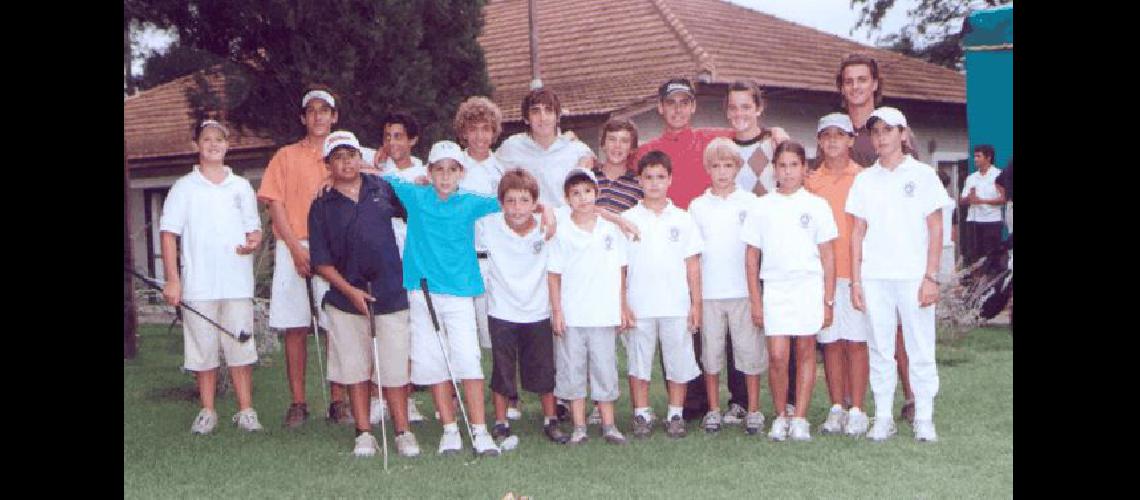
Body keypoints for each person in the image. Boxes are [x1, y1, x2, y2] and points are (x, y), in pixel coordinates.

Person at [380, 140, 554, 456]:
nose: (445, 177)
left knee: (468, 361)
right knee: (434, 364)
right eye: (438, 170)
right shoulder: (415, 195)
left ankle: (479, 429)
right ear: (428, 172)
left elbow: (513, 204)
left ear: (461, 172)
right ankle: (449, 430)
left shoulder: (471, 201)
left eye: (452, 170)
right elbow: (377, 176)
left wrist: (549, 211)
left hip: (460, 293)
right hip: (423, 292)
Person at [308, 131, 419, 458]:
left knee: (395, 368)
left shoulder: (382, 188)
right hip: (346, 297)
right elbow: (321, 262)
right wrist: (350, 291)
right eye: (338, 158)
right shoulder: (321, 204)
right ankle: (363, 433)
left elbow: (417, 211)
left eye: (351, 155)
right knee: (354, 369)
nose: (346, 163)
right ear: (328, 164)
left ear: (361, 158)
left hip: (390, 291)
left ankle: (402, 432)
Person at [846, 106, 953, 442]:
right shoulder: (864, 179)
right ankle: (882, 417)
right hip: (875, 277)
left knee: (920, 347)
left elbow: (936, 229)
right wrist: (856, 281)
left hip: (913, 277)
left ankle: (924, 417)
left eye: (888, 131)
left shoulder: (923, 175)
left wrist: (931, 276)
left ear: (903, 134)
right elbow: (857, 233)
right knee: (880, 348)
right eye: (876, 132)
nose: (881, 138)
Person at [160, 119, 264, 435]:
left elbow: (254, 230)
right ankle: (208, 411)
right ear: (197, 145)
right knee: (202, 350)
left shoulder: (241, 187)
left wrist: (252, 243)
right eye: (207, 139)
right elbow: (168, 235)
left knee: (240, 347)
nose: (213, 144)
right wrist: (173, 279)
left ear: (227, 145)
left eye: (219, 139)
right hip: (199, 285)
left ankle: (246, 411)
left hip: (236, 283)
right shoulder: (183, 188)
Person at [256, 87, 347, 428]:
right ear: (303, 117)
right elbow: (274, 202)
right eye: (312, 111)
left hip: (335, 250)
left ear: (334, 116)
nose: (318, 116)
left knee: (335, 325)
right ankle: (298, 402)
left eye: (325, 110)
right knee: (295, 327)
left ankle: (339, 401)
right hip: (294, 244)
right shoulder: (285, 156)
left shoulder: (345, 153)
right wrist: (295, 249)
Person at [836, 53, 920, 422]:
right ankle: (858, 404)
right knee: (862, 330)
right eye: (848, 80)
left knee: (900, 327)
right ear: (841, 88)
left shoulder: (891, 127)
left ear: (874, 84)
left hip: (893, 243)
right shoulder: (836, 131)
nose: (855, 86)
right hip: (853, 240)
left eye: (862, 79)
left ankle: (913, 395)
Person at [742, 141, 838, 442]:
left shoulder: (816, 205)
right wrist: (755, 301)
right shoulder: (762, 205)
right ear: (774, 169)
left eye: (794, 165)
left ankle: (800, 419)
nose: (788, 171)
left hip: (808, 286)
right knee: (778, 356)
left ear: (804, 168)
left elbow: (828, 256)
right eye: (782, 165)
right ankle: (780, 415)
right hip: (775, 288)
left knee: (806, 352)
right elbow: (751, 257)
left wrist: (828, 300)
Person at [478, 168, 570, 445]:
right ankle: (501, 421)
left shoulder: (548, 225)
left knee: (543, 368)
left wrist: (549, 209)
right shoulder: (487, 226)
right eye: (510, 201)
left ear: (535, 203)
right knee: (502, 368)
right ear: (501, 203)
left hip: (538, 310)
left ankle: (550, 420)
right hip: (501, 310)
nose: (517, 208)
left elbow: (588, 208)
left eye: (524, 201)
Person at [688, 138, 767, 435]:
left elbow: (756, 251)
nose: (722, 172)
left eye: (728, 165)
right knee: (711, 354)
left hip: (743, 292)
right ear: (708, 169)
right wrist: (694, 299)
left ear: (737, 167)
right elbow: (693, 255)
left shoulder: (750, 203)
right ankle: (713, 410)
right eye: (716, 166)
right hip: (710, 294)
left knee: (749, 352)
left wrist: (756, 296)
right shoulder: (697, 206)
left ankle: (755, 410)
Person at [623, 151, 704, 439]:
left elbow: (692, 265)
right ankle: (641, 414)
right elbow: (619, 268)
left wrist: (696, 304)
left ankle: (675, 414)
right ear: (639, 181)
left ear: (670, 180)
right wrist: (623, 304)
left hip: (675, 304)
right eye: (648, 177)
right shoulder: (627, 219)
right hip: (639, 304)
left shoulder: (683, 218)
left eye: (660, 177)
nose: (655, 183)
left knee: (678, 361)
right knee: (639, 361)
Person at [548, 170, 631, 445]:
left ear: (596, 194)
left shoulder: (609, 229)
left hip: (603, 313)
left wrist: (621, 306)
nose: (582, 198)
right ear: (567, 199)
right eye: (575, 193)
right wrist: (557, 312)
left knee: (604, 368)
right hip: (573, 315)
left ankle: (609, 425)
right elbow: (554, 275)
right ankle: (579, 426)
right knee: (572, 370)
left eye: (587, 191)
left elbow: (621, 271)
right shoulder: (562, 231)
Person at [804, 114, 871, 436]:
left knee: (856, 342)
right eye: (826, 135)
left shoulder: (865, 178)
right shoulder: (810, 182)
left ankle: (857, 408)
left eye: (839, 135)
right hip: (821, 275)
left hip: (856, 272)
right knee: (830, 343)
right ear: (819, 141)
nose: (832, 141)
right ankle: (836, 407)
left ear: (851, 139)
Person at [960, 144, 1006, 264]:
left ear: (988, 157)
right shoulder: (971, 178)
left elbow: (1003, 199)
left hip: (992, 221)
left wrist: (982, 201)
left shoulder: (998, 175)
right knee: (974, 256)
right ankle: (975, 281)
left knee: (992, 256)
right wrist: (970, 198)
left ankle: (992, 280)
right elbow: (962, 200)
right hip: (973, 221)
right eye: (974, 156)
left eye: (978, 156)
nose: (975, 159)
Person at [593, 118, 644, 214]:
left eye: (624, 141)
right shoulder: (588, 177)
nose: (617, 145)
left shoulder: (639, 185)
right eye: (612, 139)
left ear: (632, 149)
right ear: (603, 144)